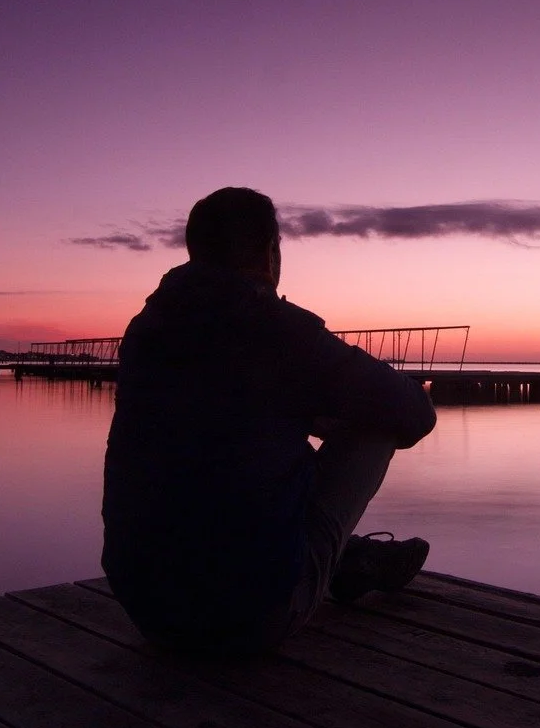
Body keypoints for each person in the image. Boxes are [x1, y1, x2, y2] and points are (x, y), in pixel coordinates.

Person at [102, 186, 437, 654]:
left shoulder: (148, 329)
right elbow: (415, 414)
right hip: (249, 619)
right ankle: (339, 562)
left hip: (147, 608)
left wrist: (303, 410)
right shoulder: (278, 330)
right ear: (269, 250)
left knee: (249, 442)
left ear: (195, 251)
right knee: (377, 423)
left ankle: (348, 560)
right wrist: (334, 413)